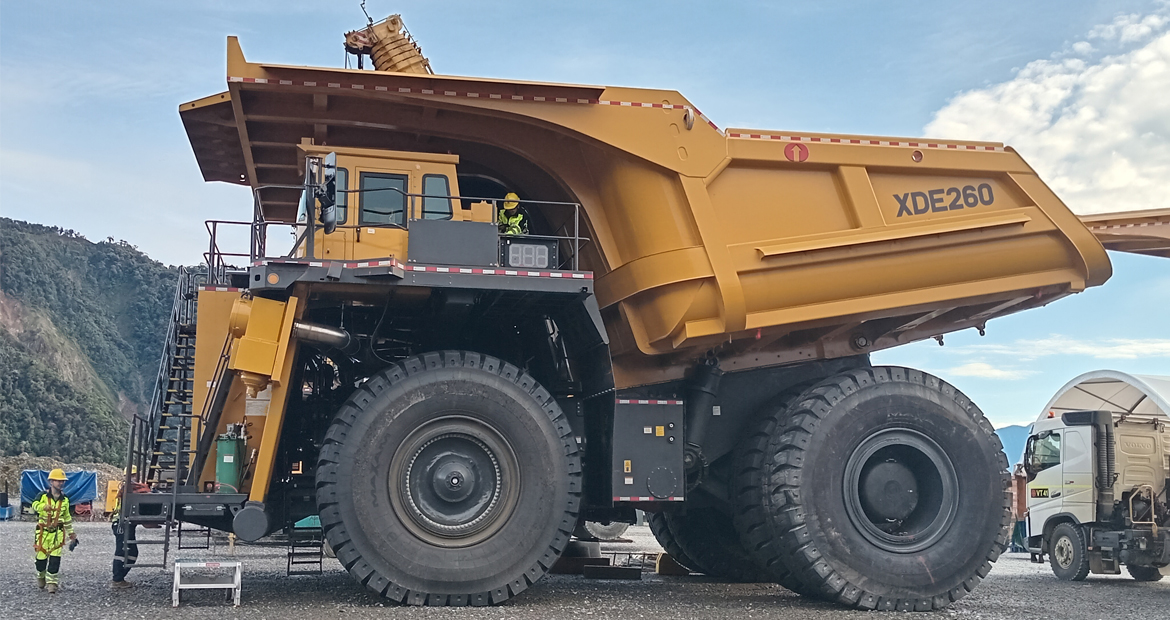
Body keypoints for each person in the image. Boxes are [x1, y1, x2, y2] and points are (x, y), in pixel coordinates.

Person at [32, 469, 76, 593]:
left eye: (62, 481)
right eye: (57, 481)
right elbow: (33, 505)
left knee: (55, 560)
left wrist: (71, 532)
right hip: (43, 533)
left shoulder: (65, 500)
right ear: (51, 481)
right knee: (41, 560)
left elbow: (67, 517)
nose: (60, 483)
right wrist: (42, 507)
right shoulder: (42, 496)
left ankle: (52, 583)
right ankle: (41, 575)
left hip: (58, 534)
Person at [110, 477, 149, 589]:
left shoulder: (129, 489)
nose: (134, 478)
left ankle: (120, 578)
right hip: (121, 524)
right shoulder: (127, 490)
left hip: (127, 524)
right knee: (121, 552)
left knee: (133, 552)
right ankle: (117, 580)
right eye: (131, 475)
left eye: (135, 475)